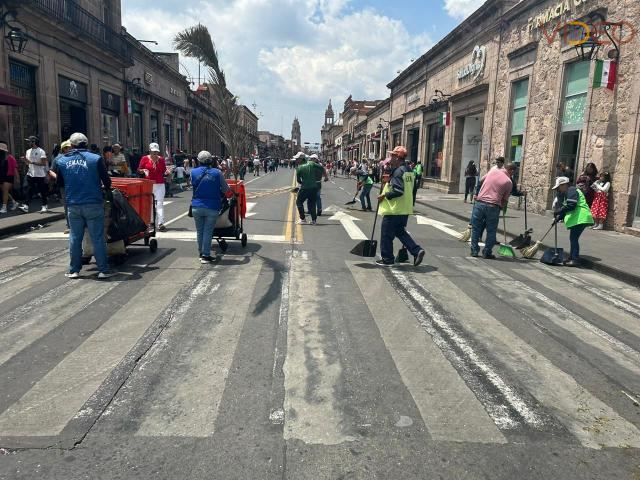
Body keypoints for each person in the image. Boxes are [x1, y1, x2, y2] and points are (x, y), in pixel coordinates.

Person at [54, 132, 113, 279]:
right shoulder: (96, 158)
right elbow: (107, 181)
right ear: (86, 144)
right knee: (97, 237)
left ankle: (74, 270)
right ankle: (103, 270)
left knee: (75, 238)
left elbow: (59, 184)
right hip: (93, 203)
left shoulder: (62, 161)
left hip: (73, 204)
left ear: (71, 145)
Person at [376, 146, 425, 267]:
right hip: (405, 208)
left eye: (392, 155)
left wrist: (385, 195)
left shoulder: (398, 171)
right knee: (400, 232)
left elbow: (398, 190)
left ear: (398, 157)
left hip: (394, 209)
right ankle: (416, 250)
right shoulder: (408, 171)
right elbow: (411, 189)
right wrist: (390, 180)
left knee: (386, 235)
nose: (390, 158)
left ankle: (387, 259)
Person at [190, 151, 232, 264]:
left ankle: (201, 253)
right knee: (208, 231)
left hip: (197, 206)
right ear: (211, 160)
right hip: (212, 207)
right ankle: (206, 255)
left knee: (200, 231)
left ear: (198, 161)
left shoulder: (193, 172)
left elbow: (191, 185)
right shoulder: (217, 173)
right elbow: (225, 190)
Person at [470, 162, 515, 259]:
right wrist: (502, 208)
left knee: (475, 228)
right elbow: (504, 200)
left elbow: (480, 181)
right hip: (493, 206)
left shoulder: (492, 171)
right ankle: (487, 252)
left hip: (480, 203)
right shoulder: (509, 182)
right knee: (491, 230)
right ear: (511, 170)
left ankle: (474, 250)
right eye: (513, 172)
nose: (513, 174)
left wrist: (477, 193)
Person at [552, 176, 594, 267]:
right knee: (573, 238)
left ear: (564, 185)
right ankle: (571, 258)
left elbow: (571, 205)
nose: (558, 190)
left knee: (573, 238)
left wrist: (558, 211)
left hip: (580, 217)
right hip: (578, 218)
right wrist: (558, 218)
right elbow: (567, 208)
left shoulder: (571, 190)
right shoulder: (568, 192)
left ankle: (575, 259)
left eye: (558, 187)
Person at [138, 143, 170, 231]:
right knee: (150, 204)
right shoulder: (145, 158)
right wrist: (143, 170)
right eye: (153, 152)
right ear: (150, 151)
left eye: (156, 152)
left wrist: (168, 172)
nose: (155, 154)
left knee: (159, 203)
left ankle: (160, 223)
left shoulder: (161, 160)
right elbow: (139, 169)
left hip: (159, 184)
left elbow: (164, 171)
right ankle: (151, 222)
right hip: (149, 184)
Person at [49, 140, 73, 232]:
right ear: (64, 149)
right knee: (67, 205)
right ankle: (70, 226)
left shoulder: (74, 157)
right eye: (69, 148)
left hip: (74, 184)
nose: (71, 149)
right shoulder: (58, 159)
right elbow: (51, 170)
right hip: (64, 186)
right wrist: (58, 178)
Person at [296, 153, 325, 225]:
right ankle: (314, 221)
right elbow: (321, 168)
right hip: (314, 188)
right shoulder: (312, 163)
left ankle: (303, 219)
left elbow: (299, 180)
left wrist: (303, 183)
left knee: (299, 202)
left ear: (301, 159)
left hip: (305, 188)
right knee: (312, 204)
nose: (296, 160)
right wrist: (325, 176)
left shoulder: (299, 168)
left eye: (297, 159)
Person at [23, 135, 49, 213]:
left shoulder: (41, 151)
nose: (28, 143)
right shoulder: (28, 151)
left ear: (34, 142)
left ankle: (45, 205)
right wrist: (25, 161)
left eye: (29, 141)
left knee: (42, 190)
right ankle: (26, 206)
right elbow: (28, 163)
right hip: (30, 173)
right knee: (29, 189)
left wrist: (32, 162)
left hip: (40, 174)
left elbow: (44, 163)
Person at [0, 142, 20, 214]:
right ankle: (14, 202)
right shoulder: (0, 158)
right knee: (5, 191)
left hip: (8, 177)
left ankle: (4, 207)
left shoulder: (10, 158)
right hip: (1, 177)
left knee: (5, 190)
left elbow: (15, 169)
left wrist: (17, 178)